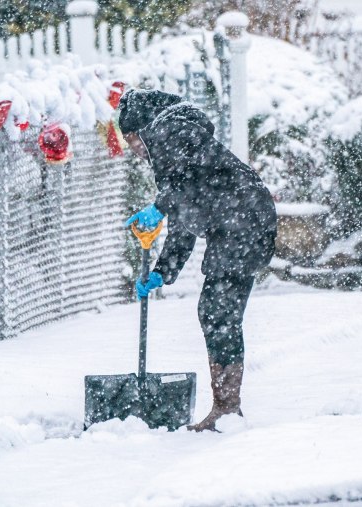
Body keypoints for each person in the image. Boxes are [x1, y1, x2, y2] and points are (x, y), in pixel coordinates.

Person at [119, 89, 277, 432]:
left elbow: (189, 181)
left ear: (142, 128)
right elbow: (185, 217)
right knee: (218, 311)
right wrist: (163, 271)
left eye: (131, 139)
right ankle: (227, 407)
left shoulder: (172, 131)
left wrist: (158, 207)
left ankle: (227, 408)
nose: (133, 150)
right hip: (243, 221)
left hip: (241, 221)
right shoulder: (173, 140)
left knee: (218, 311)